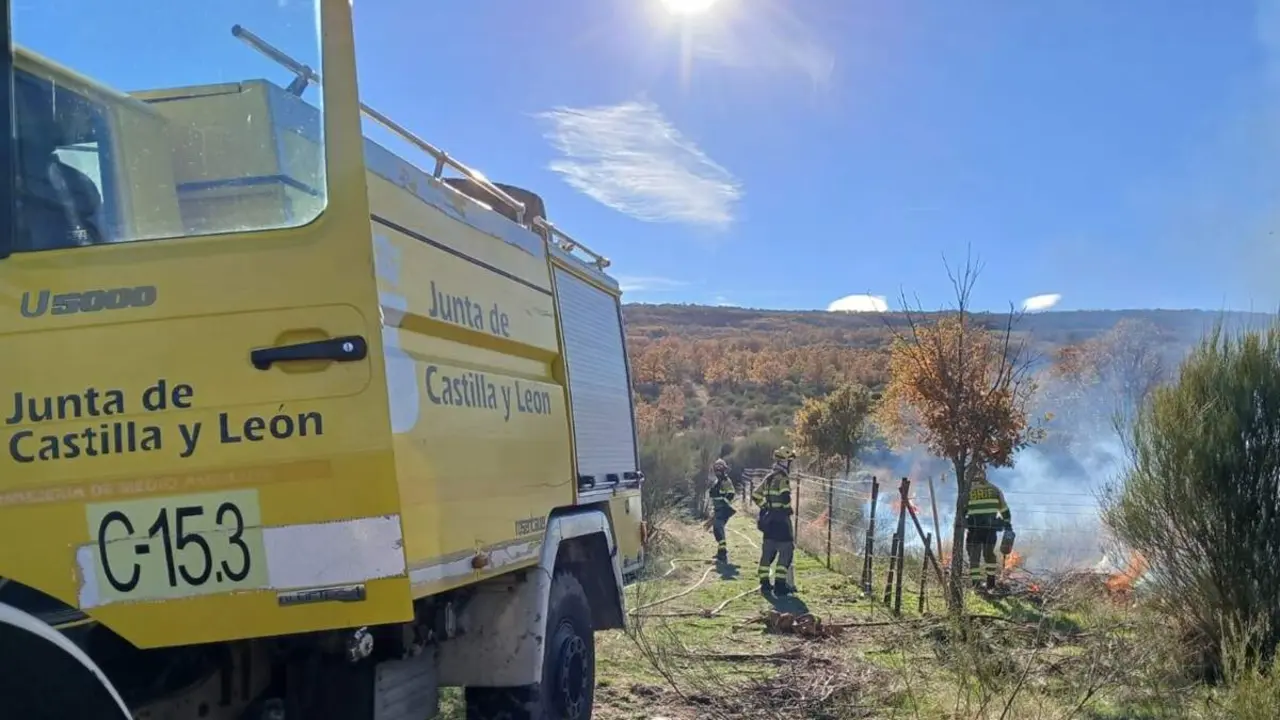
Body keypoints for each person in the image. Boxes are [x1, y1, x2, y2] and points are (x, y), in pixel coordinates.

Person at [751, 446, 798, 595]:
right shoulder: (783, 478)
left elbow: (755, 495)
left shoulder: (768, 478)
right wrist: (786, 508)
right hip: (781, 522)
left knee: (767, 553)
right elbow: (785, 496)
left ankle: (764, 583)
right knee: (786, 552)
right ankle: (779, 585)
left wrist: (765, 508)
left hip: (769, 521)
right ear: (784, 462)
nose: (790, 465)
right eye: (790, 462)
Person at [964, 464, 1013, 591]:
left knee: (974, 557)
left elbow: (961, 511)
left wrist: (961, 523)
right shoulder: (994, 489)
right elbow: (1005, 510)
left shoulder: (967, 490)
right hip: (990, 529)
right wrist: (1007, 524)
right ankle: (990, 584)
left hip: (974, 528)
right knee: (989, 555)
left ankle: (976, 585)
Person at [709, 458, 736, 562]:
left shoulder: (726, 481)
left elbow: (731, 494)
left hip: (723, 509)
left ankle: (723, 554)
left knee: (718, 529)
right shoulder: (717, 481)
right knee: (717, 530)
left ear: (724, 470)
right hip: (718, 509)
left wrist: (721, 498)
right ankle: (721, 552)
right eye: (717, 469)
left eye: (720, 469)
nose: (718, 472)